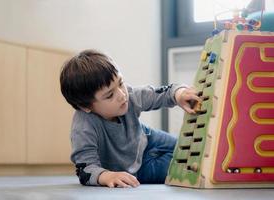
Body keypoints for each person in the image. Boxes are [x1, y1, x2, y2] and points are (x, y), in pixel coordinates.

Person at [60, 49, 201, 188]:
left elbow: (164, 92)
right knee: (186, 168)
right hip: (135, 169)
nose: (122, 95)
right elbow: (85, 168)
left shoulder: (129, 95)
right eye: (109, 95)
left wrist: (179, 94)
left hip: (146, 137)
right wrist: (106, 176)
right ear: (85, 106)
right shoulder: (83, 128)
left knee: (190, 146)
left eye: (120, 83)